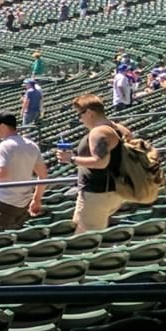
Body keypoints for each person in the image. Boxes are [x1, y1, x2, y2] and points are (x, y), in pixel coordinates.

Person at [0, 112, 46, 234]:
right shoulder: (31, 145)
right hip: (24, 202)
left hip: (5, 202)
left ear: (3, 126)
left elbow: (2, 173)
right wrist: (36, 199)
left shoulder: (5, 145)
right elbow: (43, 175)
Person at [65, 94, 127, 233]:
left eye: (80, 115)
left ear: (90, 113)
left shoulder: (98, 132)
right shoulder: (120, 128)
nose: (80, 119)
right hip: (115, 190)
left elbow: (100, 162)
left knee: (84, 241)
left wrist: (71, 159)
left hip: (97, 193)